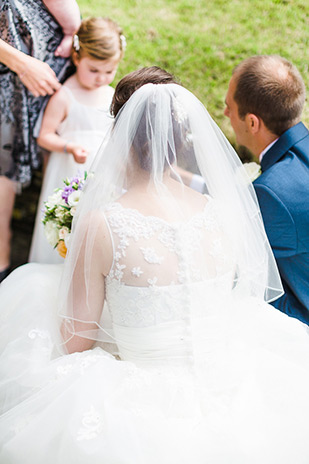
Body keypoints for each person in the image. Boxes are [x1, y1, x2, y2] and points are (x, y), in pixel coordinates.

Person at [1, 66, 309, 463]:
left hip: (136, 402)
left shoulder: (102, 224)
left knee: (31, 296)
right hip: (228, 381)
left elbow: (75, 342)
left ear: (120, 136)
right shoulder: (219, 211)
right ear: (181, 141)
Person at [29, 17, 126, 264]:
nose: (101, 78)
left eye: (109, 71)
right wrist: (67, 146)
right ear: (76, 58)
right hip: (68, 173)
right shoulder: (65, 96)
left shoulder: (111, 94)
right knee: (65, 230)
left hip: (102, 175)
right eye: (93, 70)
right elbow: (44, 135)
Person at [224, 55, 309, 324]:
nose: (225, 114)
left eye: (229, 107)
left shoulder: (271, 193)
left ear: (252, 123)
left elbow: (243, 276)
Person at [0, 0, 81, 282]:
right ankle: (3, 256)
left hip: (48, 64)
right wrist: (18, 61)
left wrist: (72, 32)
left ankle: (50, 255)